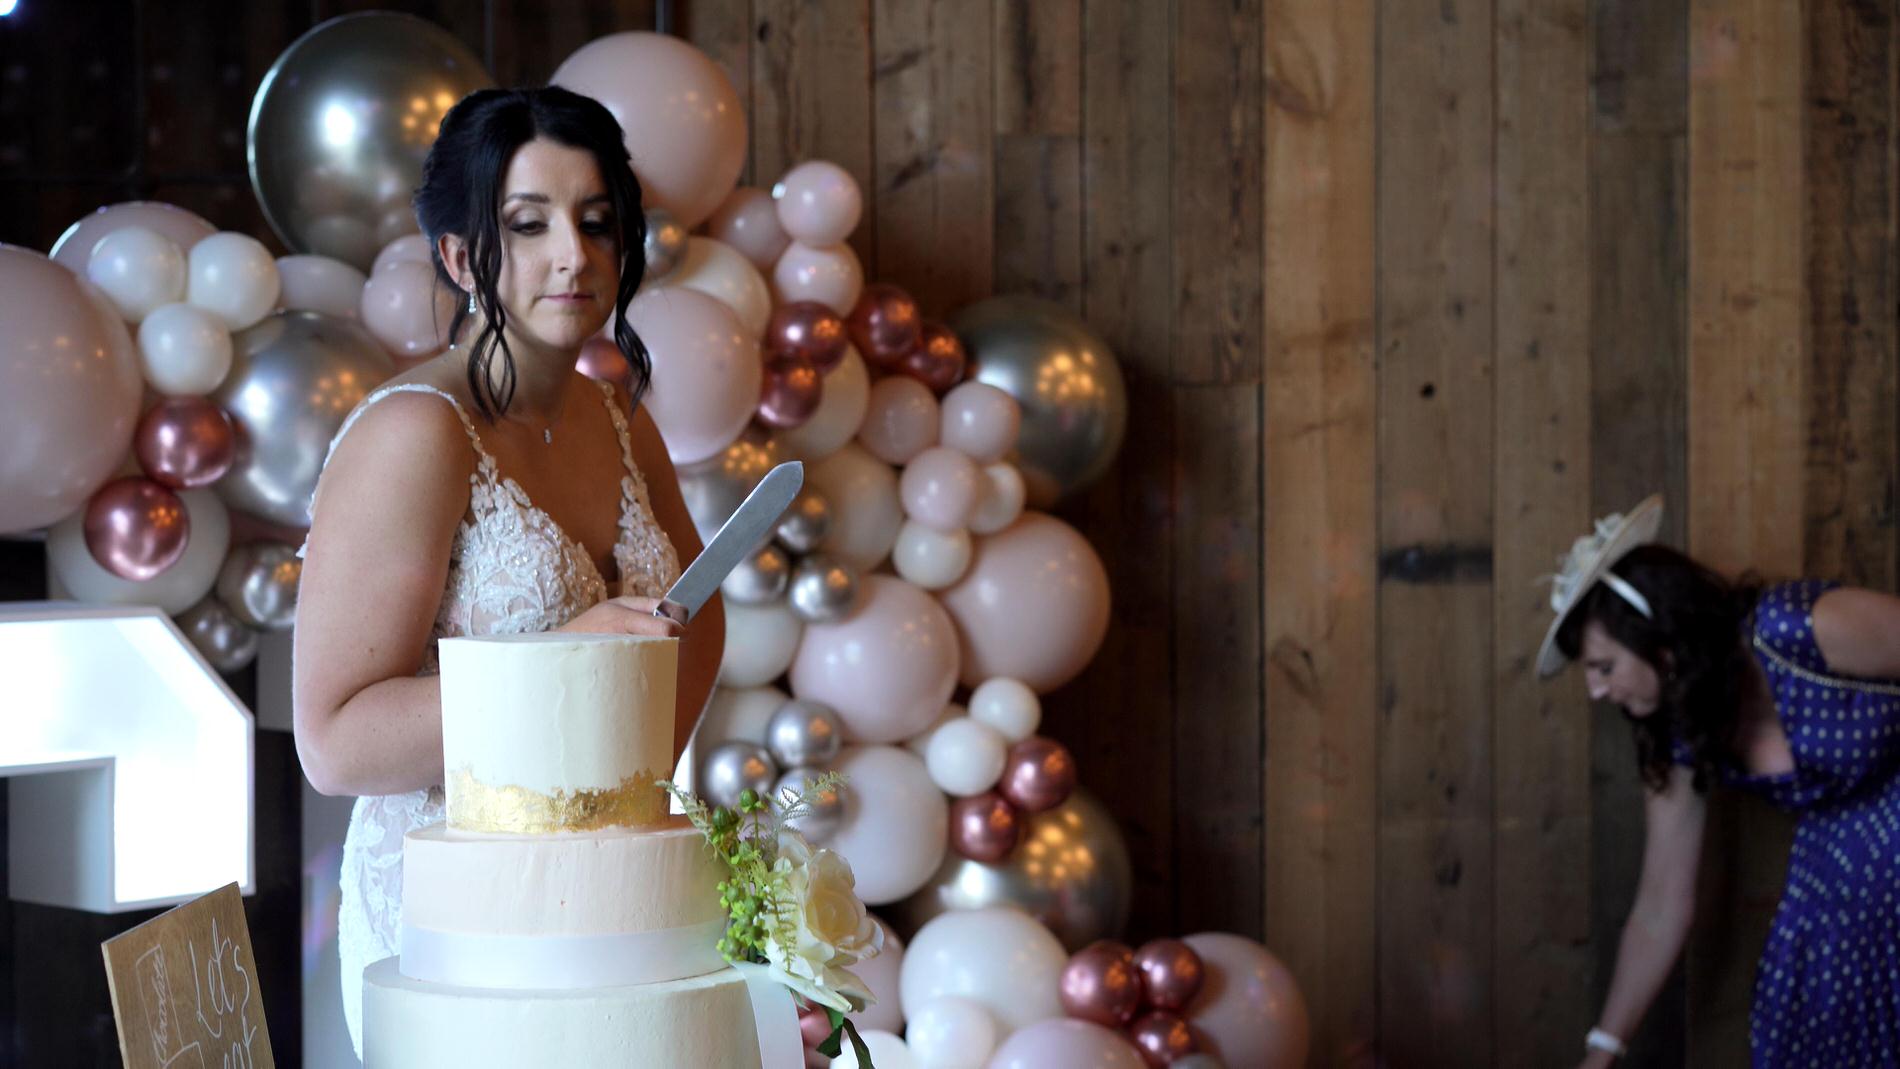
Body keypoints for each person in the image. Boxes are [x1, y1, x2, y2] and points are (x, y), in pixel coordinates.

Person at [291, 86, 724, 1056]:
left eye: (597, 221)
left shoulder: (620, 420)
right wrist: (563, 668)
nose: (573, 255)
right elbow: (334, 742)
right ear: (458, 257)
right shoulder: (417, 434)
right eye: (528, 226)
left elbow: (700, 610)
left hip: (607, 911)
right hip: (458, 949)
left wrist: (622, 796)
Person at [1541, 496, 1900, 1067]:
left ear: (1659, 645)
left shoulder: (1796, 629)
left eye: (1603, 667)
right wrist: (1601, 1052)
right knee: (1806, 975)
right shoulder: (1680, 731)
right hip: (1840, 866)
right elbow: (1661, 903)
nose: (1595, 691)